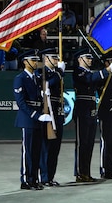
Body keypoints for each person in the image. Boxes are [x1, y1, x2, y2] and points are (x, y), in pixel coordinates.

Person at [72, 50, 112, 182]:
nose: (90, 60)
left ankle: (86, 172)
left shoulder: (90, 72)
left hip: (91, 108)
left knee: (89, 143)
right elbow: (89, 79)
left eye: (91, 58)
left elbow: (97, 80)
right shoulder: (78, 72)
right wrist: (106, 70)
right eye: (87, 58)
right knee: (82, 143)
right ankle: (80, 172)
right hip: (82, 108)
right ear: (80, 59)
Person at [14, 52, 52, 190]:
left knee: (36, 151)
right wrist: (37, 115)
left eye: (37, 60)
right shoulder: (20, 78)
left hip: (37, 119)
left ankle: (34, 179)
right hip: (28, 120)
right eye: (33, 60)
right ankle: (26, 180)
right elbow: (21, 103)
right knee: (28, 151)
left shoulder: (36, 77)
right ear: (25, 62)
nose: (36, 63)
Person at [37, 51, 66, 186]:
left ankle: (51, 176)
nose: (56, 60)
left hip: (57, 112)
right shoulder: (41, 71)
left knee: (55, 148)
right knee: (46, 147)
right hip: (48, 111)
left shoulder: (56, 72)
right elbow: (47, 84)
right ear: (45, 59)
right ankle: (44, 176)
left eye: (57, 58)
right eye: (53, 58)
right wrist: (59, 72)